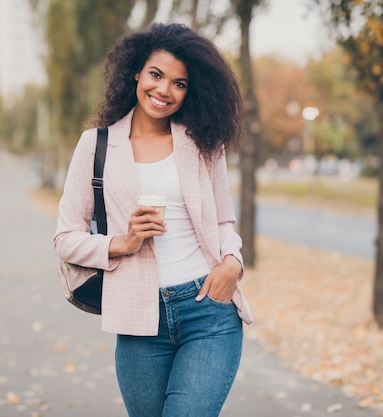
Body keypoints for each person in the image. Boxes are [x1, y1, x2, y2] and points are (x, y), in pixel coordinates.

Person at [53, 22, 253, 417]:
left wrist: (233, 263)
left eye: (179, 83)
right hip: (138, 319)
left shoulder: (202, 142)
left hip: (208, 310)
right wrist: (120, 242)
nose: (164, 91)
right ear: (136, 73)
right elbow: (65, 237)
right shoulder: (96, 145)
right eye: (156, 75)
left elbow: (222, 221)